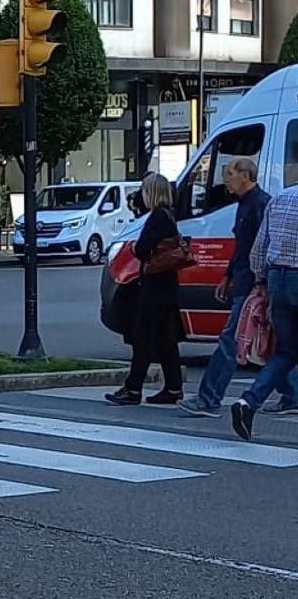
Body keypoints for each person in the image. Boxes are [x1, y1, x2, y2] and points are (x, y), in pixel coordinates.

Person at [182, 159, 296, 416]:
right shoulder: (246, 204)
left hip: (259, 283)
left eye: (230, 174)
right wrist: (228, 276)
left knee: (235, 339)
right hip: (253, 281)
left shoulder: (264, 203)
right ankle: (290, 394)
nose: (226, 179)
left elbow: (260, 249)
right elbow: (243, 248)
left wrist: (260, 282)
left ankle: (209, 398)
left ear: (246, 175)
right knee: (274, 343)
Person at [106, 173, 185, 406]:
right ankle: (173, 387)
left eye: (144, 189)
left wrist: (136, 248)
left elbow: (142, 249)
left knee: (143, 338)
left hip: (155, 287)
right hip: (168, 286)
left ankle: (133, 388)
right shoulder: (169, 215)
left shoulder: (157, 217)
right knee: (165, 340)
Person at [231, 184, 298, 440]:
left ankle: (248, 402)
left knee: (286, 351)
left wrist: (261, 280)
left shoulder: (281, 197)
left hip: (276, 279)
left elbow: (259, 249)